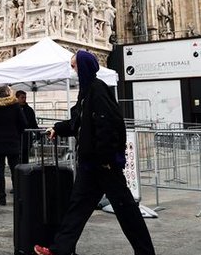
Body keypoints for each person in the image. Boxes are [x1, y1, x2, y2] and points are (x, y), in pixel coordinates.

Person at [34, 50, 155, 255]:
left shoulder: (98, 90)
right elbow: (77, 122)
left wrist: (107, 159)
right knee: (78, 207)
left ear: (83, 67)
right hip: (90, 164)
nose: (71, 70)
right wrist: (58, 128)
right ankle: (60, 249)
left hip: (103, 164)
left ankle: (145, 252)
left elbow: (108, 125)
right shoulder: (86, 91)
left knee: (126, 210)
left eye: (73, 66)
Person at [0, 84, 26, 205]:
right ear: (8, 92)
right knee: (15, 169)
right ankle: (17, 196)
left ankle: (1, 196)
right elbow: (23, 122)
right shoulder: (14, 105)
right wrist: (16, 132)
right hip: (12, 140)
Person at [17, 89, 39, 164]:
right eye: (22, 97)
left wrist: (38, 134)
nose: (24, 99)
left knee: (25, 158)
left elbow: (34, 124)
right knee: (16, 159)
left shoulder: (29, 110)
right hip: (17, 138)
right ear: (17, 98)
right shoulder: (14, 109)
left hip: (26, 138)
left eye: (25, 98)